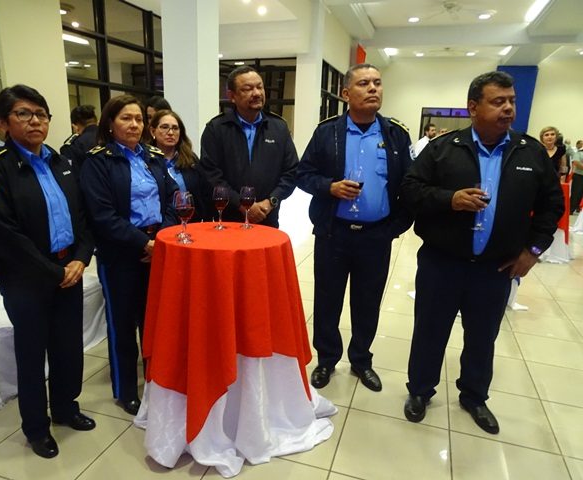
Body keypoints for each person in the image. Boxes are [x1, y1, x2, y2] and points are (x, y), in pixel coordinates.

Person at [401, 71, 564, 434]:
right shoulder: (444, 149)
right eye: (498, 101)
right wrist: (450, 199)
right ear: (473, 107)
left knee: (482, 337)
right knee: (429, 332)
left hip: (495, 269)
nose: (508, 109)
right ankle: (420, 391)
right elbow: (410, 190)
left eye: (511, 101)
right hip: (441, 264)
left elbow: (552, 206)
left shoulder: (530, 152)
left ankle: (474, 396)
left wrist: (533, 250)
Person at [0, 84, 96, 459]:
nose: (35, 121)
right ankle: (37, 428)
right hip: (25, 278)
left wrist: (80, 258)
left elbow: (82, 217)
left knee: (68, 347)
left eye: (41, 114)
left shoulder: (61, 162)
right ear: (2, 124)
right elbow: (6, 236)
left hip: (68, 269)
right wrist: (54, 272)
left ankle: (66, 408)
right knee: (31, 353)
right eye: (23, 113)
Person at [296, 63, 413, 391]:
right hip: (334, 232)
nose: (373, 88)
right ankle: (327, 359)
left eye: (377, 82)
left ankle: (361, 360)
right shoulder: (327, 132)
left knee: (367, 302)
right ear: (346, 93)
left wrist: (394, 227)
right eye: (364, 83)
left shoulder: (395, 134)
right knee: (327, 300)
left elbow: (411, 184)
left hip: (376, 236)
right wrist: (329, 187)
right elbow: (303, 174)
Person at [80, 94, 178, 416]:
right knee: (122, 325)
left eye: (138, 119)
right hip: (121, 253)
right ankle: (125, 390)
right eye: (126, 118)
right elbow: (102, 215)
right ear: (110, 123)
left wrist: (160, 238)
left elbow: (172, 200)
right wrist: (142, 244)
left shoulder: (153, 157)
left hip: (157, 247)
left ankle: (154, 380)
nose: (134, 124)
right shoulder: (98, 162)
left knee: (153, 322)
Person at [200, 65, 298, 227]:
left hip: (267, 217)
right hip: (227, 219)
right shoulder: (216, 129)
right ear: (232, 96)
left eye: (260, 87)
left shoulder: (279, 128)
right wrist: (241, 204)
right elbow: (211, 174)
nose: (257, 93)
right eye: (248, 89)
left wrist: (271, 201)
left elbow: (291, 171)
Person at [149, 109, 212, 222]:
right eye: (164, 127)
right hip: (161, 224)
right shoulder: (147, 161)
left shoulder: (190, 159)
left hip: (191, 222)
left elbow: (204, 194)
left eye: (175, 128)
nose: (170, 132)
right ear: (153, 131)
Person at [60, 104, 98, 173]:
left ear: (74, 126)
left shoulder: (72, 146)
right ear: (96, 120)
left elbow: (71, 175)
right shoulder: (110, 136)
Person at [570, 140, 583, 214]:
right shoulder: (579, 153)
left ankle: (578, 208)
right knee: (576, 193)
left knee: (580, 195)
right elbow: (576, 162)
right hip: (579, 176)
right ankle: (571, 210)